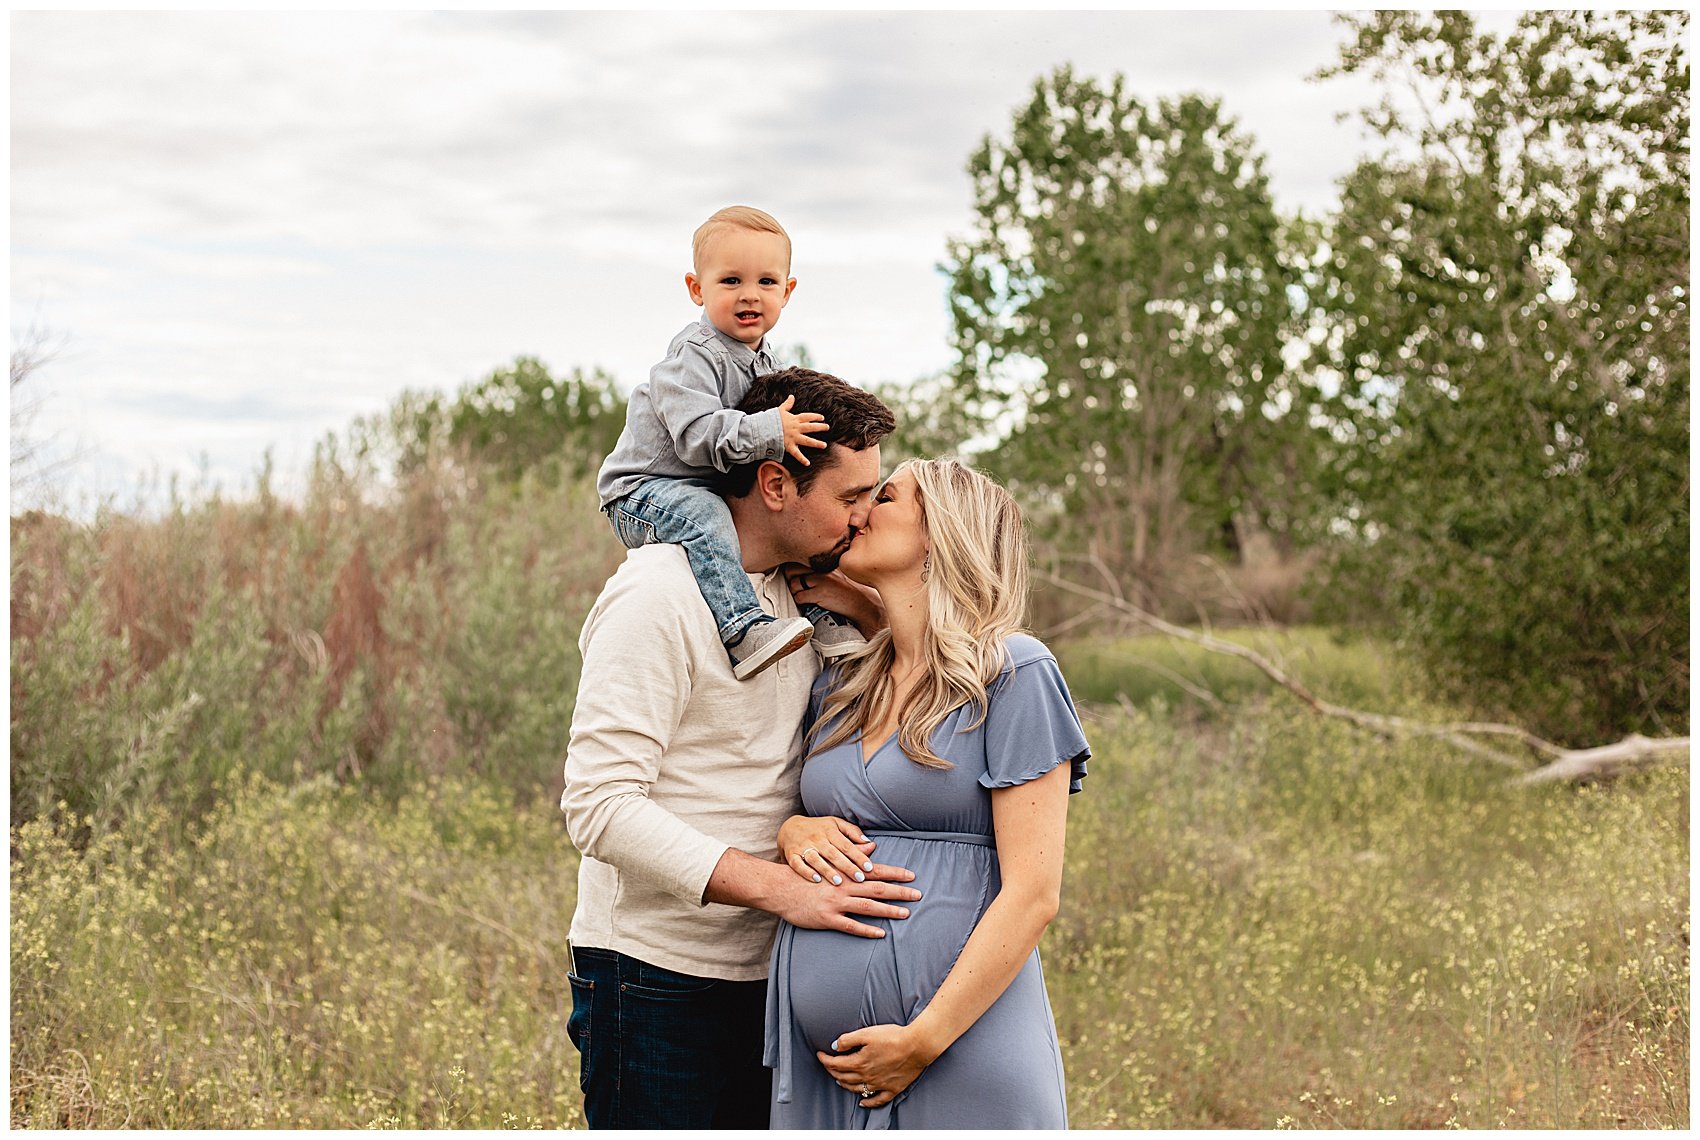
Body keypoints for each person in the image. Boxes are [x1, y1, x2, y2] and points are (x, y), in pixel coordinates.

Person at [561, 368, 920, 1131]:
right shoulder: (658, 592)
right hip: (656, 980)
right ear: (775, 484)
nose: (862, 520)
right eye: (849, 499)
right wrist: (784, 888)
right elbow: (598, 808)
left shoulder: (803, 594)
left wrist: (868, 604)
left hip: (776, 977)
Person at [765, 458, 1091, 1129]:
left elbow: (1034, 893)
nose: (858, 512)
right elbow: (806, 810)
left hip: (959, 1049)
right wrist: (793, 831)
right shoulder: (842, 683)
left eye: (884, 497)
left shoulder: (1014, 672)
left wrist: (923, 1039)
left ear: (938, 534)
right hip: (829, 1073)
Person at [595, 205, 866, 681]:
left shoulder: (764, 361)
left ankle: (822, 619)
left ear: (788, 290)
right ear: (697, 288)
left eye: (766, 282)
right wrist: (770, 431)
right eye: (731, 281)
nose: (750, 295)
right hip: (645, 491)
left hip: (702, 486)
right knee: (707, 518)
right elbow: (698, 435)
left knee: (784, 529)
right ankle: (742, 630)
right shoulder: (693, 356)